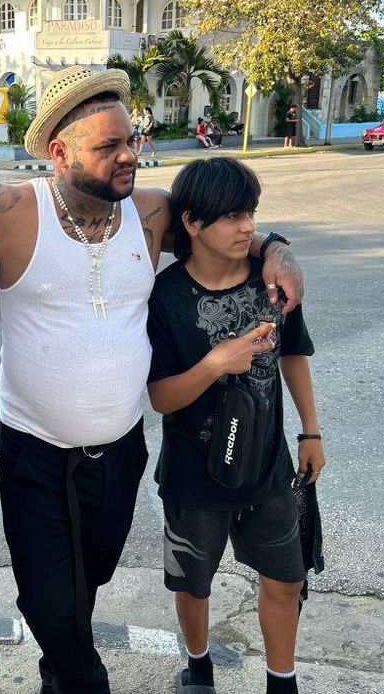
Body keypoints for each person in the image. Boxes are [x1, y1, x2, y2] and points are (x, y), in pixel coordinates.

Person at [0, 65, 305, 694]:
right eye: (108, 146)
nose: (129, 157)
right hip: (35, 450)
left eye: (132, 141)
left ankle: (58, 676)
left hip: (120, 453)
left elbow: (226, 228)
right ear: (58, 153)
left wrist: (278, 247)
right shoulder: (5, 210)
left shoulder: (149, 213)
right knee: (50, 599)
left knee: (83, 589)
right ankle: (83, 681)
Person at [145, 157, 325, 694]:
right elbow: (158, 397)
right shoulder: (164, 297)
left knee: (287, 577)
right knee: (193, 582)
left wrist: (311, 431)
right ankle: (198, 663)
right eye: (231, 216)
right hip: (193, 476)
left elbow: (294, 355)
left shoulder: (272, 285)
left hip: (267, 468)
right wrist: (215, 364)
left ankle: (281, 679)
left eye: (250, 213)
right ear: (193, 224)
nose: (247, 226)